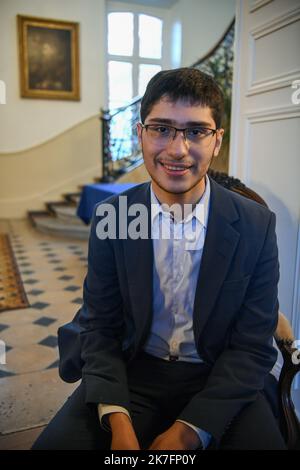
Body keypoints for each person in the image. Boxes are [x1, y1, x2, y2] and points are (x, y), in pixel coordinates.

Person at [32, 68, 286, 450]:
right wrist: (118, 424)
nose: (177, 149)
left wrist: (187, 433)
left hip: (219, 377)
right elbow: (99, 326)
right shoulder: (113, 216)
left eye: (196, 131)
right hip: (132, 373)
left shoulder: (256, 226)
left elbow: (252, 346)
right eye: (161, 128)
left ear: (217, 141)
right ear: (140, 134)